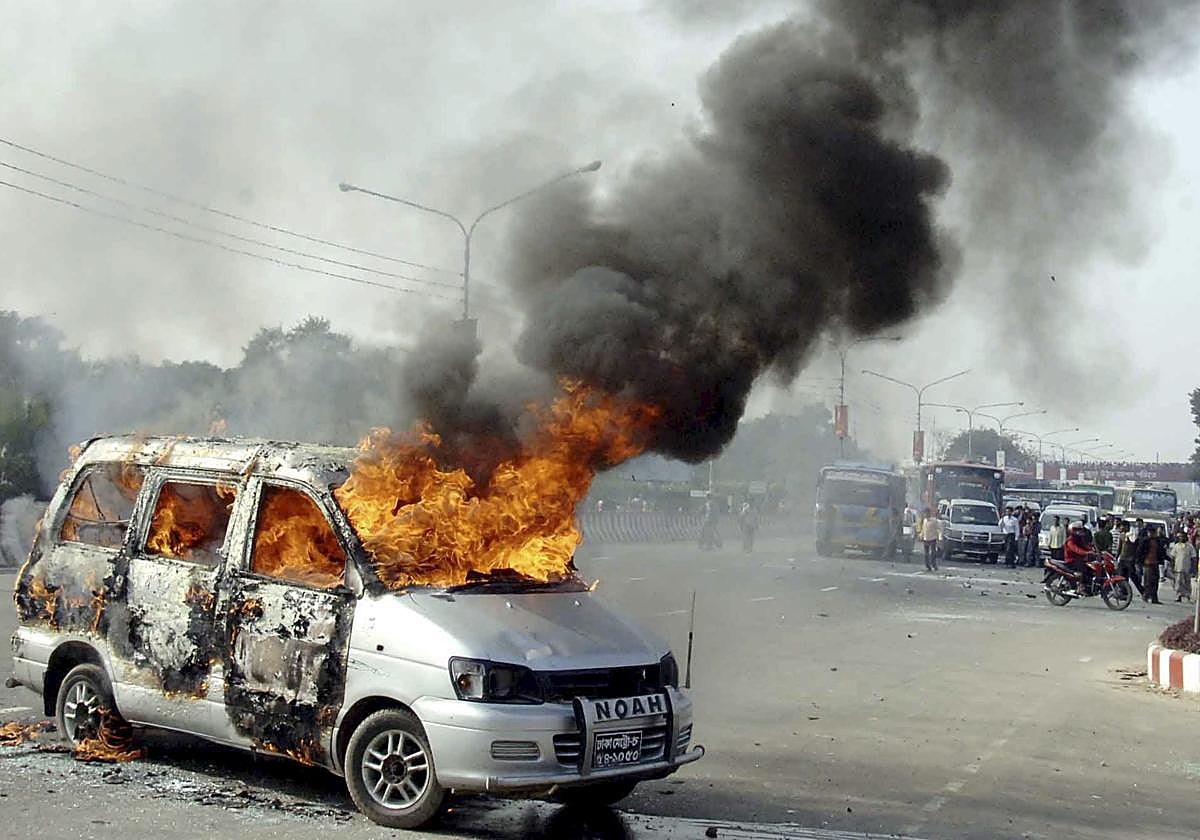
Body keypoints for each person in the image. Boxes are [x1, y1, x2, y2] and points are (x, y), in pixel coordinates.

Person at [1136, 524, 1168, 605]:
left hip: (1155, 563)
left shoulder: (1158, 541)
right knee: (1148, 581)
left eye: (1153, 532)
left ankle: (1154, 598)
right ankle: (1146, 596)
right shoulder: (1145, 541)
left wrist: (1167, 559)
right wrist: (1139, 561)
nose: (1151, 533)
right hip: (1147, 563)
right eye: (1150, 532)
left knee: (1155, 581)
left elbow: (1162, 552)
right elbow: (1139, 552)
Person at [1062, 522, 1095, 594]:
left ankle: (1087, 586)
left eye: (1080, 530)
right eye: (1077, 530)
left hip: (1078, 559)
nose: (1079, 531)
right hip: (1071, 561)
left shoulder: (1078, 538)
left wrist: (1091, 550)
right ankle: (1081, 586)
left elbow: (1083, 546)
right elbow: (1076, 549)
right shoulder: (1070, 540)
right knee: (1083, 569)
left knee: (1090, 568)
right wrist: (1086, 553)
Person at [1115, 521, 1143, 596]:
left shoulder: (1133, 535)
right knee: (1122, 577)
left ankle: (1143, 592)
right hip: (1122, 559)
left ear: (1126, 527)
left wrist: (1136, 558)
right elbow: (1119, 548)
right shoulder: (1122, 535)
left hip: (1130, 559)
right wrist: (1116, 557)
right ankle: (1124, 593)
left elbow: (1137, 547)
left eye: (1122, 526)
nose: (1120, 528)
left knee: (1133, 577)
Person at [1169, 531, 1196, 603]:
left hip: (1187, 567)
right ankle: (1178, 596)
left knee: (1187, 582)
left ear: (1185, 537)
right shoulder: (1176, 546)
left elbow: (1193, 557)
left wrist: (1193, 568)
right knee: (1178, 582)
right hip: (1178, 567)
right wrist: (1171, 566)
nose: (1181, 538)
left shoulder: (1190, 546)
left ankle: (1188, 596)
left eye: (1182, 536)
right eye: (1179, 537)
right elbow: (1172, 557)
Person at [920, 506, 940, 571]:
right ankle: (927, 566)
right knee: (926, 554)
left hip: (932, 539)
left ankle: (934, 565)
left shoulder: (934, 520)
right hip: (926, 539)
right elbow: (923, 529)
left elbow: (938, 529)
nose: (925, 514)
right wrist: (921, 535)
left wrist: (939, 537)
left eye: (926, 513)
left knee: (933, 553)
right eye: (924, 513)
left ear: (929, 513)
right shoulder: (924, 520)